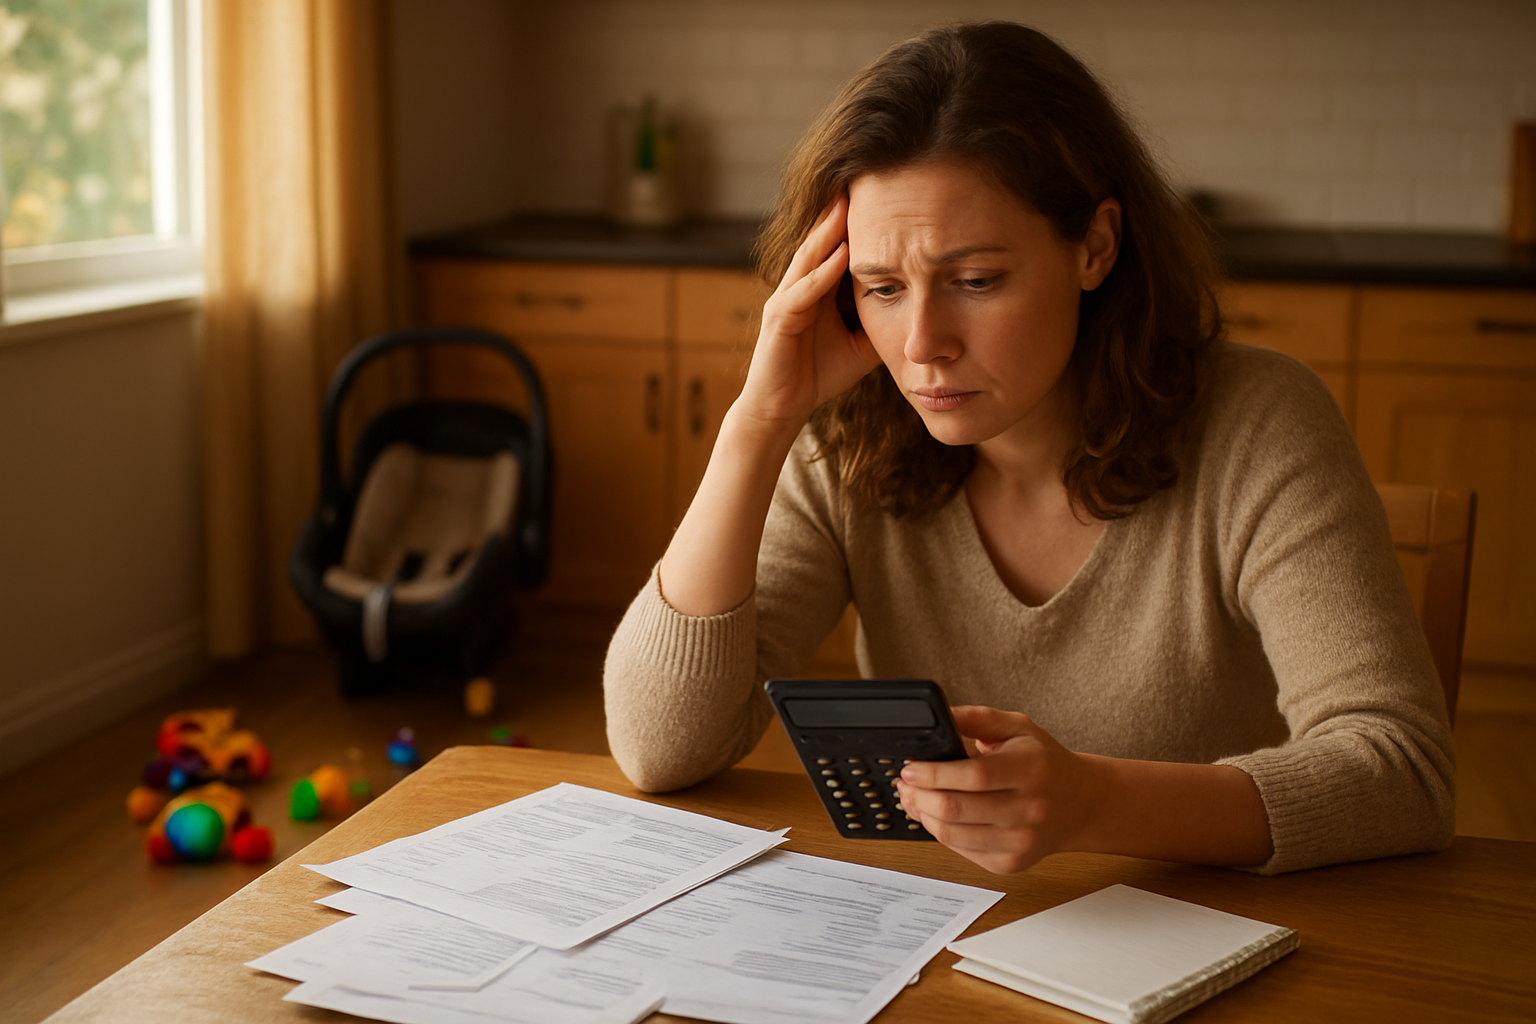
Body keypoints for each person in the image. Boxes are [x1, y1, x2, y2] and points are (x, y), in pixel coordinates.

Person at [603, 22, 1454, 876]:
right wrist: (758, 422)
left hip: (1204, 936)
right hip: (945, 939)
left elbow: (1402, 769)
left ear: (1095, 246)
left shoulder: (1258, 423)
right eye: (883, 288)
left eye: (976, 281)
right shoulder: (846, 433)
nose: (923, 343)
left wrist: (1096, 803)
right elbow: (659, 748)